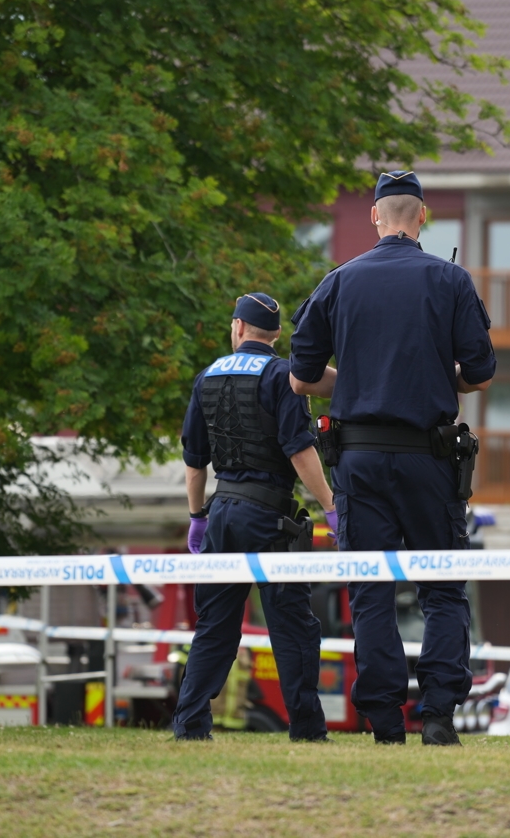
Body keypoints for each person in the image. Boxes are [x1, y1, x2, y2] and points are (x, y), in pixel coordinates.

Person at [288, 170, 495, 746]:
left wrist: (355, 382)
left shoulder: (337, 283)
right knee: (443, 588)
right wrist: (433, 377)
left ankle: (383, 723)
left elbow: (302, 379)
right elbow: (479, 374)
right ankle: (437, 717)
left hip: (359, 462)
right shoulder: (450, 280)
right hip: (430, 460)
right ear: (422, 217)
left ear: (375, 218)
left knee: (371, 591)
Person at [171, 292, 340, 741]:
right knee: (291, 627)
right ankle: (306, 730)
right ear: (277, 334)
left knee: (215, 626)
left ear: (238, 328)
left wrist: (197, 517)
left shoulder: (206, 376)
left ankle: (189, 725)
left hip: (222, 512)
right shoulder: (283, 375)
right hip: (270, 517)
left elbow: (194, 462)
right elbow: (299, 450)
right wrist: (330, 505)